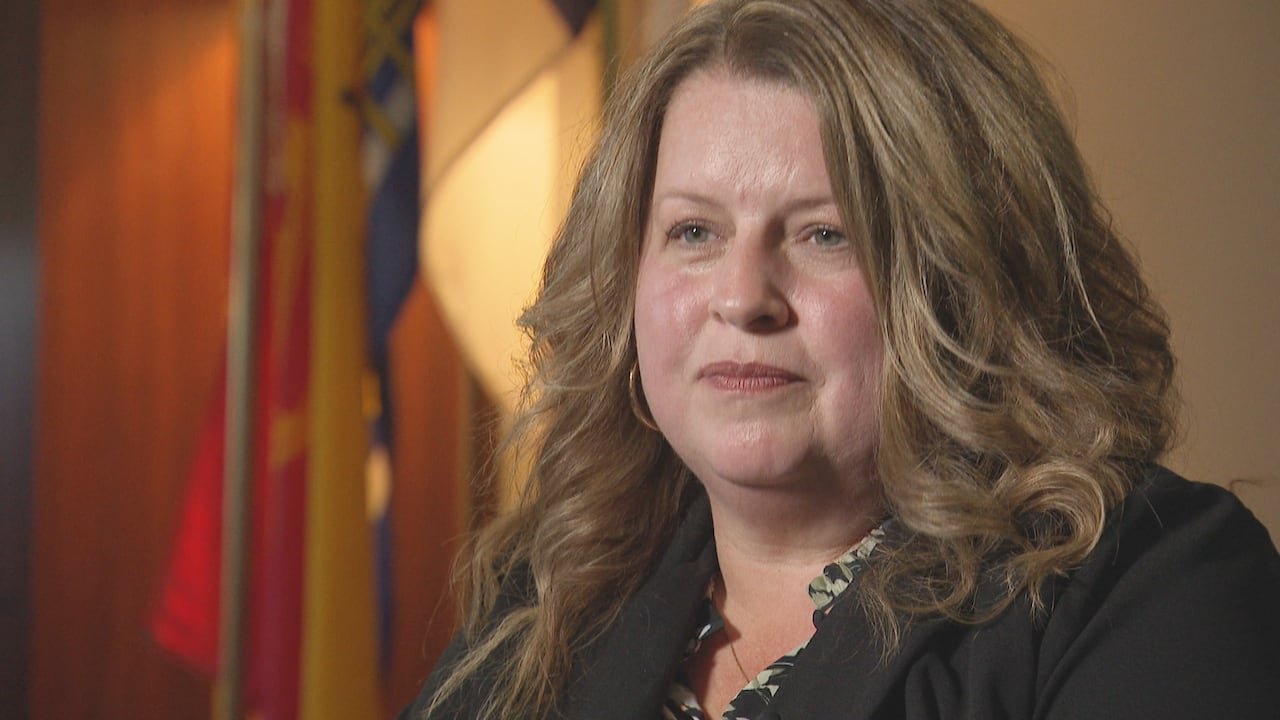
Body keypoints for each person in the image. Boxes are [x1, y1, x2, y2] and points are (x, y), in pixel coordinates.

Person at [400, 0, 1280, 718]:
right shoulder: (554, 591)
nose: (742, 296)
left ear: (965, 282)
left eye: (826, 234)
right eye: (694, 231)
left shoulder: (1153, 586)